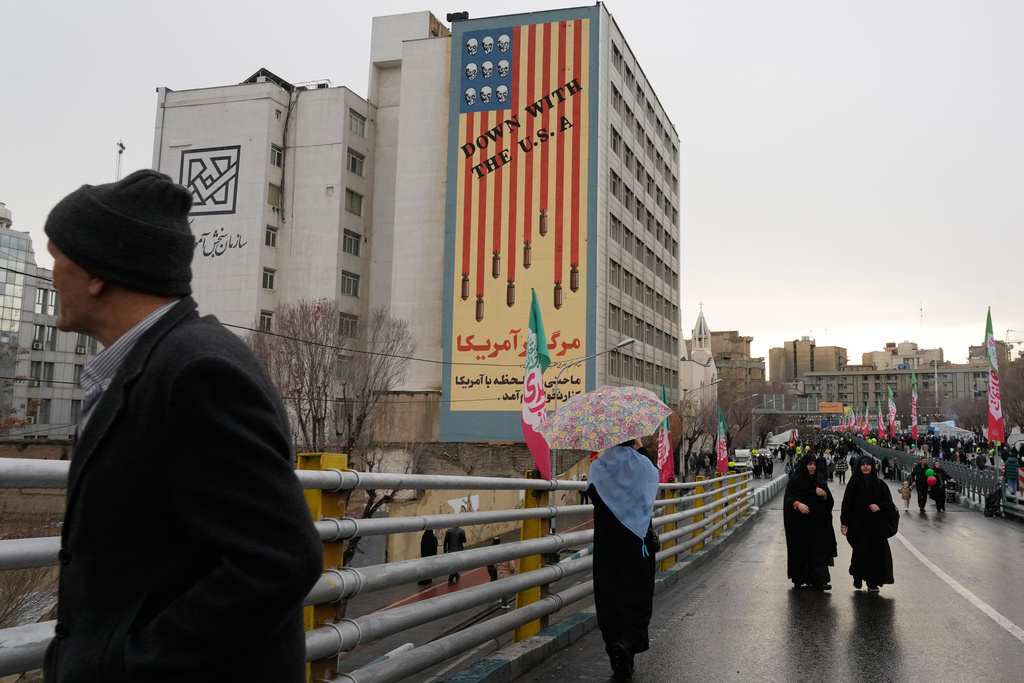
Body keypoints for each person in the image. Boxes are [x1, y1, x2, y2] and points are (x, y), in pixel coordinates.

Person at [42, 170, 323, 683]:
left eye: (57, 256)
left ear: (97, 272)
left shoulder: (195, 372)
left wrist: (131, 664)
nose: (50, 272)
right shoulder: (160, 363)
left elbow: (280, 560)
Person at [587, 437, 660, 680]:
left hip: (608, 548)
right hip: (638, 545)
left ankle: (618, 654)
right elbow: (654, 481)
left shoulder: (599, 467)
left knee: (609, 599)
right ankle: (627, 644)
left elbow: (594, 497)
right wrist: (640, 448)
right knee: (638, 596)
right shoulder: (643, 466)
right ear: (632, 439)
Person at [840, 456, 896, 592]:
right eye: (863, 465)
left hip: (875, 526)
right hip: (858, 526)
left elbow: (889, 502)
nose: (865, 467)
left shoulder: (880, 485)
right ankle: (857, 576)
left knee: (875, 554)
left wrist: (879, 506)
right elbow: (847, 504)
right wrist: (844, 523)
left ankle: (872, 582)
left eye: (868, 464)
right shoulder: (853, 484)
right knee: (861, 552)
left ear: (872, 466)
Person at [783, 453, 838, 591]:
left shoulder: (819, 480)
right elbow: (788, 498)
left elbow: (829, 501)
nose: (812, 467)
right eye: (809, 464)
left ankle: (820, 580)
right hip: (799, 525)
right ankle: (799, 578)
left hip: (818, 525)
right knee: (800, 551)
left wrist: (824, 495)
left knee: (818, 551)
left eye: (814, 464)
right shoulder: (795, 480)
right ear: (804, 465)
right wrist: (797, 505)